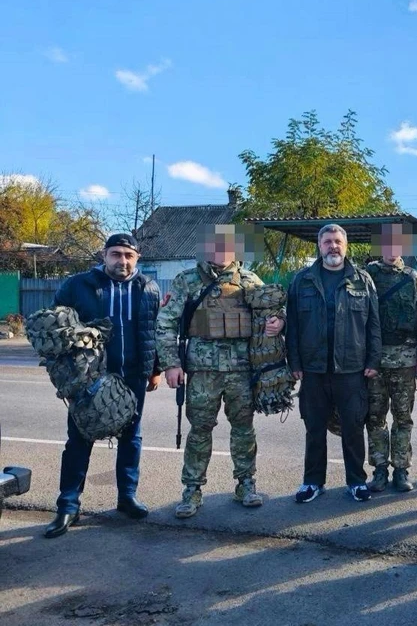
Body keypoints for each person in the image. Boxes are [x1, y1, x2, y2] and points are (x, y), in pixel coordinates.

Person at [156, 224, 283, 518]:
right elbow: (165, 324)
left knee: (243, 429)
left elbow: (272, 312)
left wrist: (279, 322)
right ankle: (191, 490)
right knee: (200, 430)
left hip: (241, 370)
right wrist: (171, 364)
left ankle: (246, 484)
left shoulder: (250, 281)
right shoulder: (187, 280)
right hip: (202, 371)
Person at [44, 233, 161, 538]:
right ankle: (68, 506)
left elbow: (154, 331)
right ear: (103, 255)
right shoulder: (78, 285)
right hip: (88, 378)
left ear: (137, 258)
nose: (122, 260)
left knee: (131, 437)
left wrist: (155, 370)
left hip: (133, 375)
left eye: (128, 255)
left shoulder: (148, 287)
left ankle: (126, 498)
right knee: (80, 439)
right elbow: (55, 327)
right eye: (116, 254)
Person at [287, 224, 381, 503]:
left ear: (346, 245)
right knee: (314, 428)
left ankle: (356, 482)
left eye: (337, 241)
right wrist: (294, 361)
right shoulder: (302, 280)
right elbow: (292, 325)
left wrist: (373, 359)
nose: (333, 246)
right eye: (327, 241)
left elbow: (374, 325)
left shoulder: (362, 280)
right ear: (319, 245)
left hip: (351, 368)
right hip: (314, 369)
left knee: (353, 427)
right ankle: (313, 482)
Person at [365, 223, 417, 493]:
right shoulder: (367, 275)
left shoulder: (413, 278)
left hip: (404, 360)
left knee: (403, 418)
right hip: (375, 361)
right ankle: (379, 469)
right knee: (375, 418)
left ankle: (401, 469)